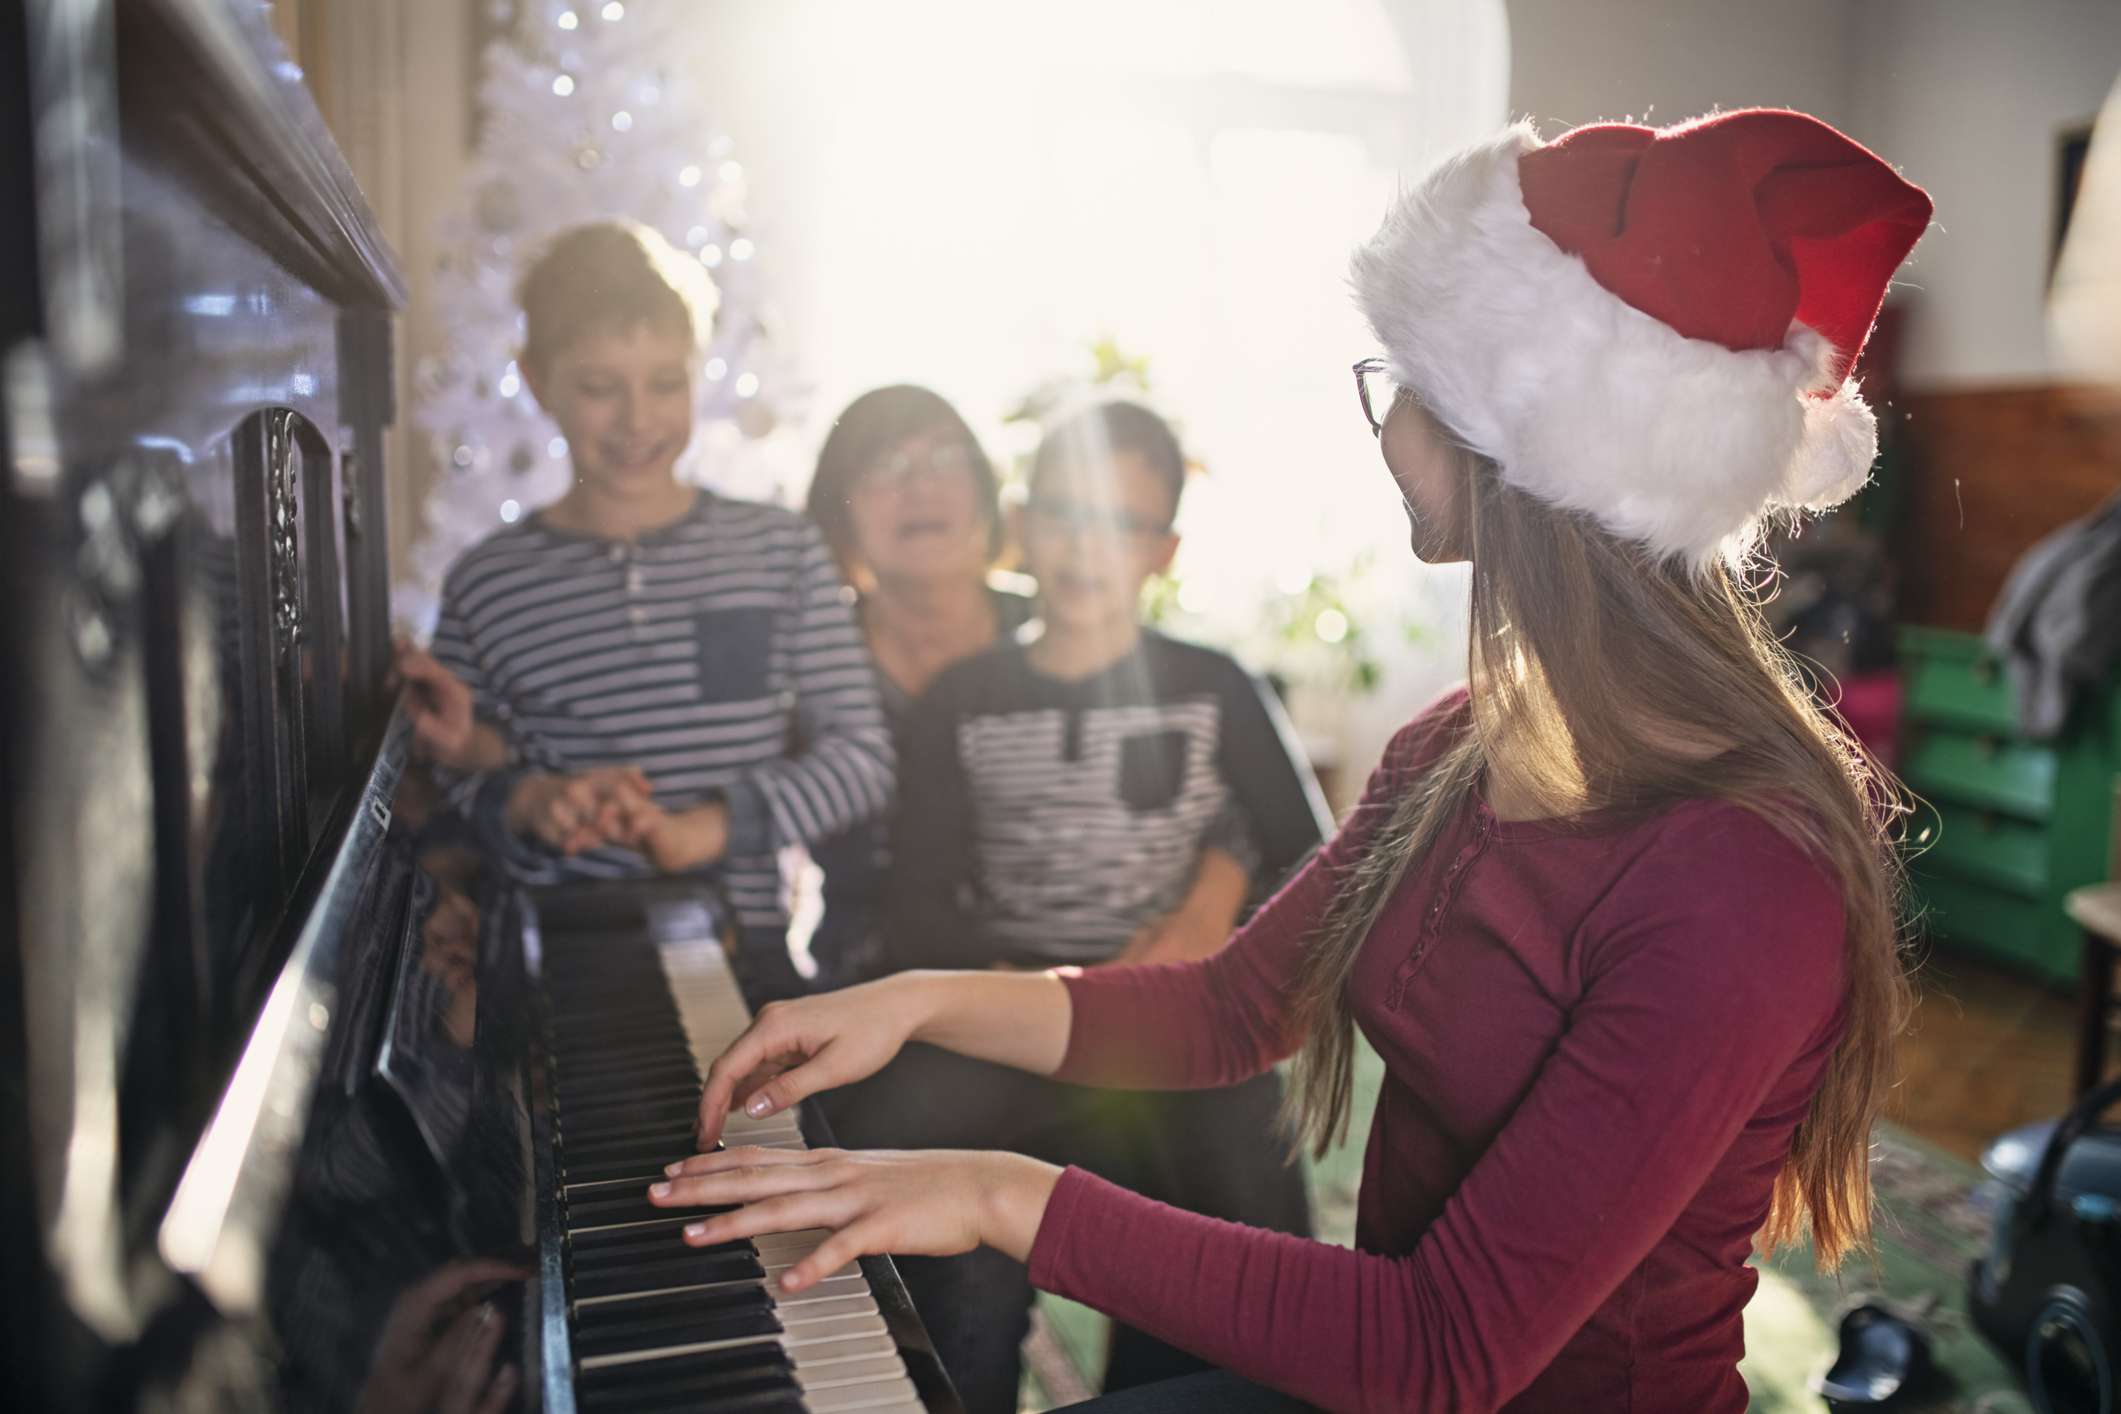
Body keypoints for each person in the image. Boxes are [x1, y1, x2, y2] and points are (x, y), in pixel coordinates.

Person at [649, 109, 1935, 1413]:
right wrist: (917, 997)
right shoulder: (1459, 740)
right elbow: (1228, 1007)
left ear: (1507, 444)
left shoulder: (1738, 879)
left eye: (1401, 387)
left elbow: (1436, 1352)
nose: (1381, 431)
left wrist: (995, 1190)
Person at [803, 393, 1321, 1409]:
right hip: (1014, 1024)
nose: (1087, 548)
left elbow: (1316, 863)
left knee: (1260, 1249)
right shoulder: (963, 699)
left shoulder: (1217, 686)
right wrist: (1033, 994)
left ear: (1162, 549)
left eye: (1120, 524)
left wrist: (1215, 911)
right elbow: (921, 907)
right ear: (1025, 526)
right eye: (1066, 516)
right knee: (880, 1144)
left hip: (1180, 1030)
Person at [398, 220, 893, 999]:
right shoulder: (486, 581)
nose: (637, 420)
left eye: (666, 383)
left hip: (739, 943)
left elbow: (861, 759)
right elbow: (455, 777)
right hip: (553, 948)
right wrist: (530, 802)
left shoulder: (779, 549)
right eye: (599, 388)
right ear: (536, 380)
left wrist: (710, 828)